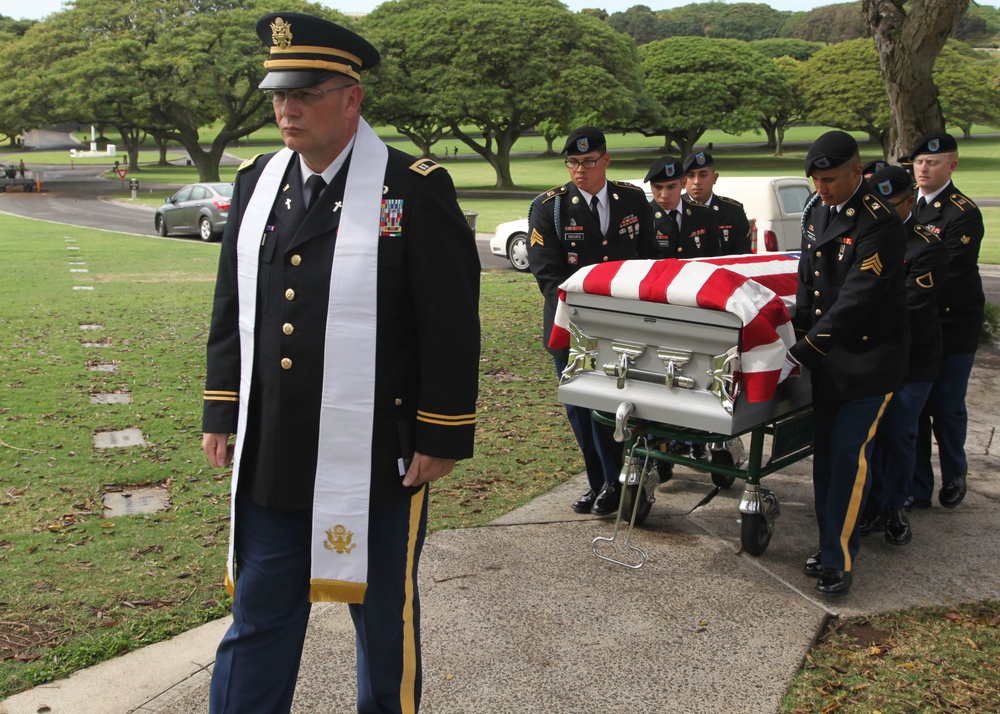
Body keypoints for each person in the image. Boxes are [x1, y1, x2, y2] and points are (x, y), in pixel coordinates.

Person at [200, 13, 480, 714]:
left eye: (305, 93)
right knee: (259, 618)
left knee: (385, 622)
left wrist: (441, 433)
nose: (286, 109)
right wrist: (222, 409)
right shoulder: (257, 182)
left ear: (351, 97)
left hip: (378, 457)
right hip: (273, 451)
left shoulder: (411, 189)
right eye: (278, 94)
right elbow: (233, 305)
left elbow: (448, 321)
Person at [784, 130, 908, 597]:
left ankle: (839, 558)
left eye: (831, 179)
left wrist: (805, 350)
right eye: (816, 180)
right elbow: (807, 280)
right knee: (825, 461)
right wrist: (793, 332)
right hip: (829, 360)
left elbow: (858, 299)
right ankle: (828, 542)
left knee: (847, 457)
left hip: (868, 361)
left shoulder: (879, 223)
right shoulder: (817, 210)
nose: (822, 188)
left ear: (858, 172)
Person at [526, 126, 660, 516]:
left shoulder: (632, 200)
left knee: (619, 406)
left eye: (587, 162)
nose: (579, 170)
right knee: (582, 409)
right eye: (572, 163)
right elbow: (548, 275)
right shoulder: (549, 207)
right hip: (572, 327)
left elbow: (649, 259)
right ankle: (600, 482)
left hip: (625, 325)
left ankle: (620, 481)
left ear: (606, 160)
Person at [859, 165, 948, 546]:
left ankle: (895, 505)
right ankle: (874, 504)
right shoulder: (868, 235)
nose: (879, 210)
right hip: (875, 354)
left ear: (909, 202)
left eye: (888, 204)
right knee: (871, 435)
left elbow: (911, 304)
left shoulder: (927, 245)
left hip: (914, 359)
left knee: (899, 433)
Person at [909, 131, 985, 511]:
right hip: (920, 325)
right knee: (917, 409)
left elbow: (948, 271)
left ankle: (955, 472)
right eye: (919, 162)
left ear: (952, 165)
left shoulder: (962, 212)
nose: (923, 168)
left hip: (953, 324)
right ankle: (918, 485)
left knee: (948, 405)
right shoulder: (909, 207)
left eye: (933, 162)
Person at [646, 155, 719, 258]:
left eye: (671, 187)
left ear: (683, 183)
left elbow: (713, 256)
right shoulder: (645, 217)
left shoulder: (703, 215)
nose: (664, 195)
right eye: (658, 187)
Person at [682, 151, 752, 255]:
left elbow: (743, 254)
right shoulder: (675, 209)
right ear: (683, 180)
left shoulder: (733, 211)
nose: (696, 181)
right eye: (691, 176)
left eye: (703, 175)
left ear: (714, 178)